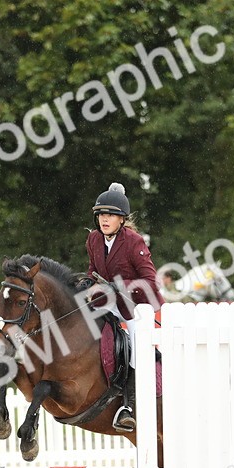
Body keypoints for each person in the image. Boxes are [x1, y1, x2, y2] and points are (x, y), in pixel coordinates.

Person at [83, 182, 163, 431]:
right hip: (109, 304)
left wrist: (119, 286)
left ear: (122, 219)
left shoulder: (133, 241)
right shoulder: (94, 239)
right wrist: (85, 284)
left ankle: (128, 406)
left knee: (137, 346)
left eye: (110, 215)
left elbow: (150, 282)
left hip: (138, 307)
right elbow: (93, 272)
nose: (105, 219)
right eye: (101, 215)